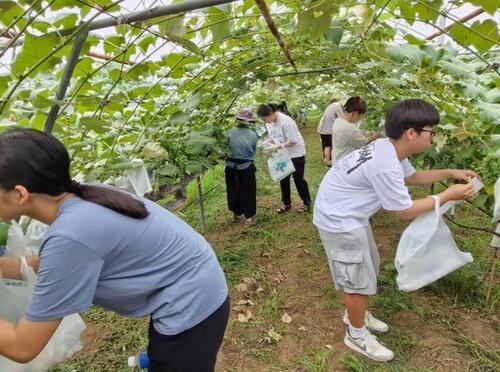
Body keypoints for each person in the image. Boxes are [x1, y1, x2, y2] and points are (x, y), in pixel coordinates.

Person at [0, 129, 229, 372]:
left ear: (20, 194)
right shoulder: (82, 197)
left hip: (192, 306)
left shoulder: (71, 234)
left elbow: (22, 346)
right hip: (197, 287)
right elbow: (57, 267)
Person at [313, 99, 478, 362]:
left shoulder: (387, 148)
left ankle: (356, 314)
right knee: (356, 280)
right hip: (339, 220)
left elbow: (411, 178)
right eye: (430, 132)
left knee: (368, 267)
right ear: (411, 133)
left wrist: (450, 172)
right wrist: (446, 196)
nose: (432, 138)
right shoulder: (385, 162)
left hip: (349, 215)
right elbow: (402, 212)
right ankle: (355, 334)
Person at [257, 103, 311, 213]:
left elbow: (292, 141)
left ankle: (306, 202)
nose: (264, 122)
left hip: (296, 153)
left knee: (298, 179)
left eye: (265, 119)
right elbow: (273, 137)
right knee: (283, 177)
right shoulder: (269, 123)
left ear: (271, 113)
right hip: (282, 153)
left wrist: (277, 146)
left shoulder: (286, 121)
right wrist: (265, 143)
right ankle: (286, 204)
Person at [225, 109, 259, 227]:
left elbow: (224, 149)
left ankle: (236, 213)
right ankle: (249, 217)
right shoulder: (253, 134)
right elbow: (253, 150)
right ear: (249, 121)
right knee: (248, 191)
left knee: (233, 190)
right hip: (246, 167)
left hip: (231, 167)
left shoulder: (228, 132)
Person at [331, 96, 379, 166]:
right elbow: (364, 142)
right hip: (346, 164)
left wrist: (367, 133)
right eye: (360, 116)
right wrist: (376, 135)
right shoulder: (348, 127)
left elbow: (354, 134)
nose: (359, 119)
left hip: (338, 160)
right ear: (355, 113)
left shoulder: (338, 121)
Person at [317, 97, 343, 167]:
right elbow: (342, 118)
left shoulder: (329, 106)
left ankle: (328, 163)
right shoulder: (337, 106)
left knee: (327, 146)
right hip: (330, 130)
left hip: (323, 130)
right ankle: (334, 163)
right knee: (333, 147)